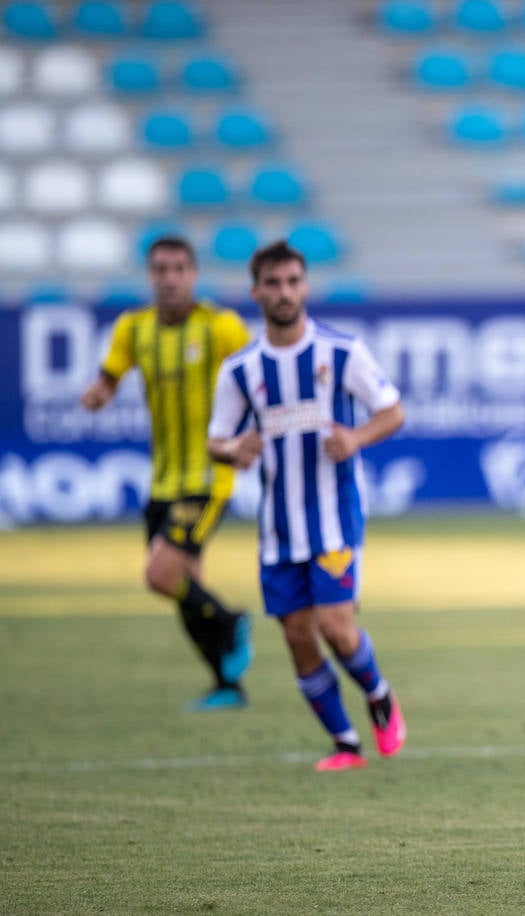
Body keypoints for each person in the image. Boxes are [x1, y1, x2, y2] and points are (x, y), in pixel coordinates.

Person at [207, 240, 407, 772]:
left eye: (293, 281)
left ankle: (379, 694)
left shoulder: (341, 353)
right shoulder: (240, 370)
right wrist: (235, 449)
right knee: (298, 638)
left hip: (334, 521)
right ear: (255, 292)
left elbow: (392, 411)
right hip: (277, 528)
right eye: (272, 283)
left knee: (336, 628)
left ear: (306, 286)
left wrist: (357, 438)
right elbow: (216, 440)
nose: (284, 292)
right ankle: (345, 744)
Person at [79, 235, 254, 711]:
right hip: (162, 480)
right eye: (161, 269)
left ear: (194, 274)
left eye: (179, 268)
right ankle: (226, 683)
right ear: (150, 276)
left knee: (161, 574)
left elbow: (259, 382)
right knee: (183, 586)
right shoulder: (134, 328)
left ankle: (231, 620)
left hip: (207, 477)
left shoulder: (221, 326)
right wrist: (98, 394)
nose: (170, 278)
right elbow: (109, 378)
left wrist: (246, 442)